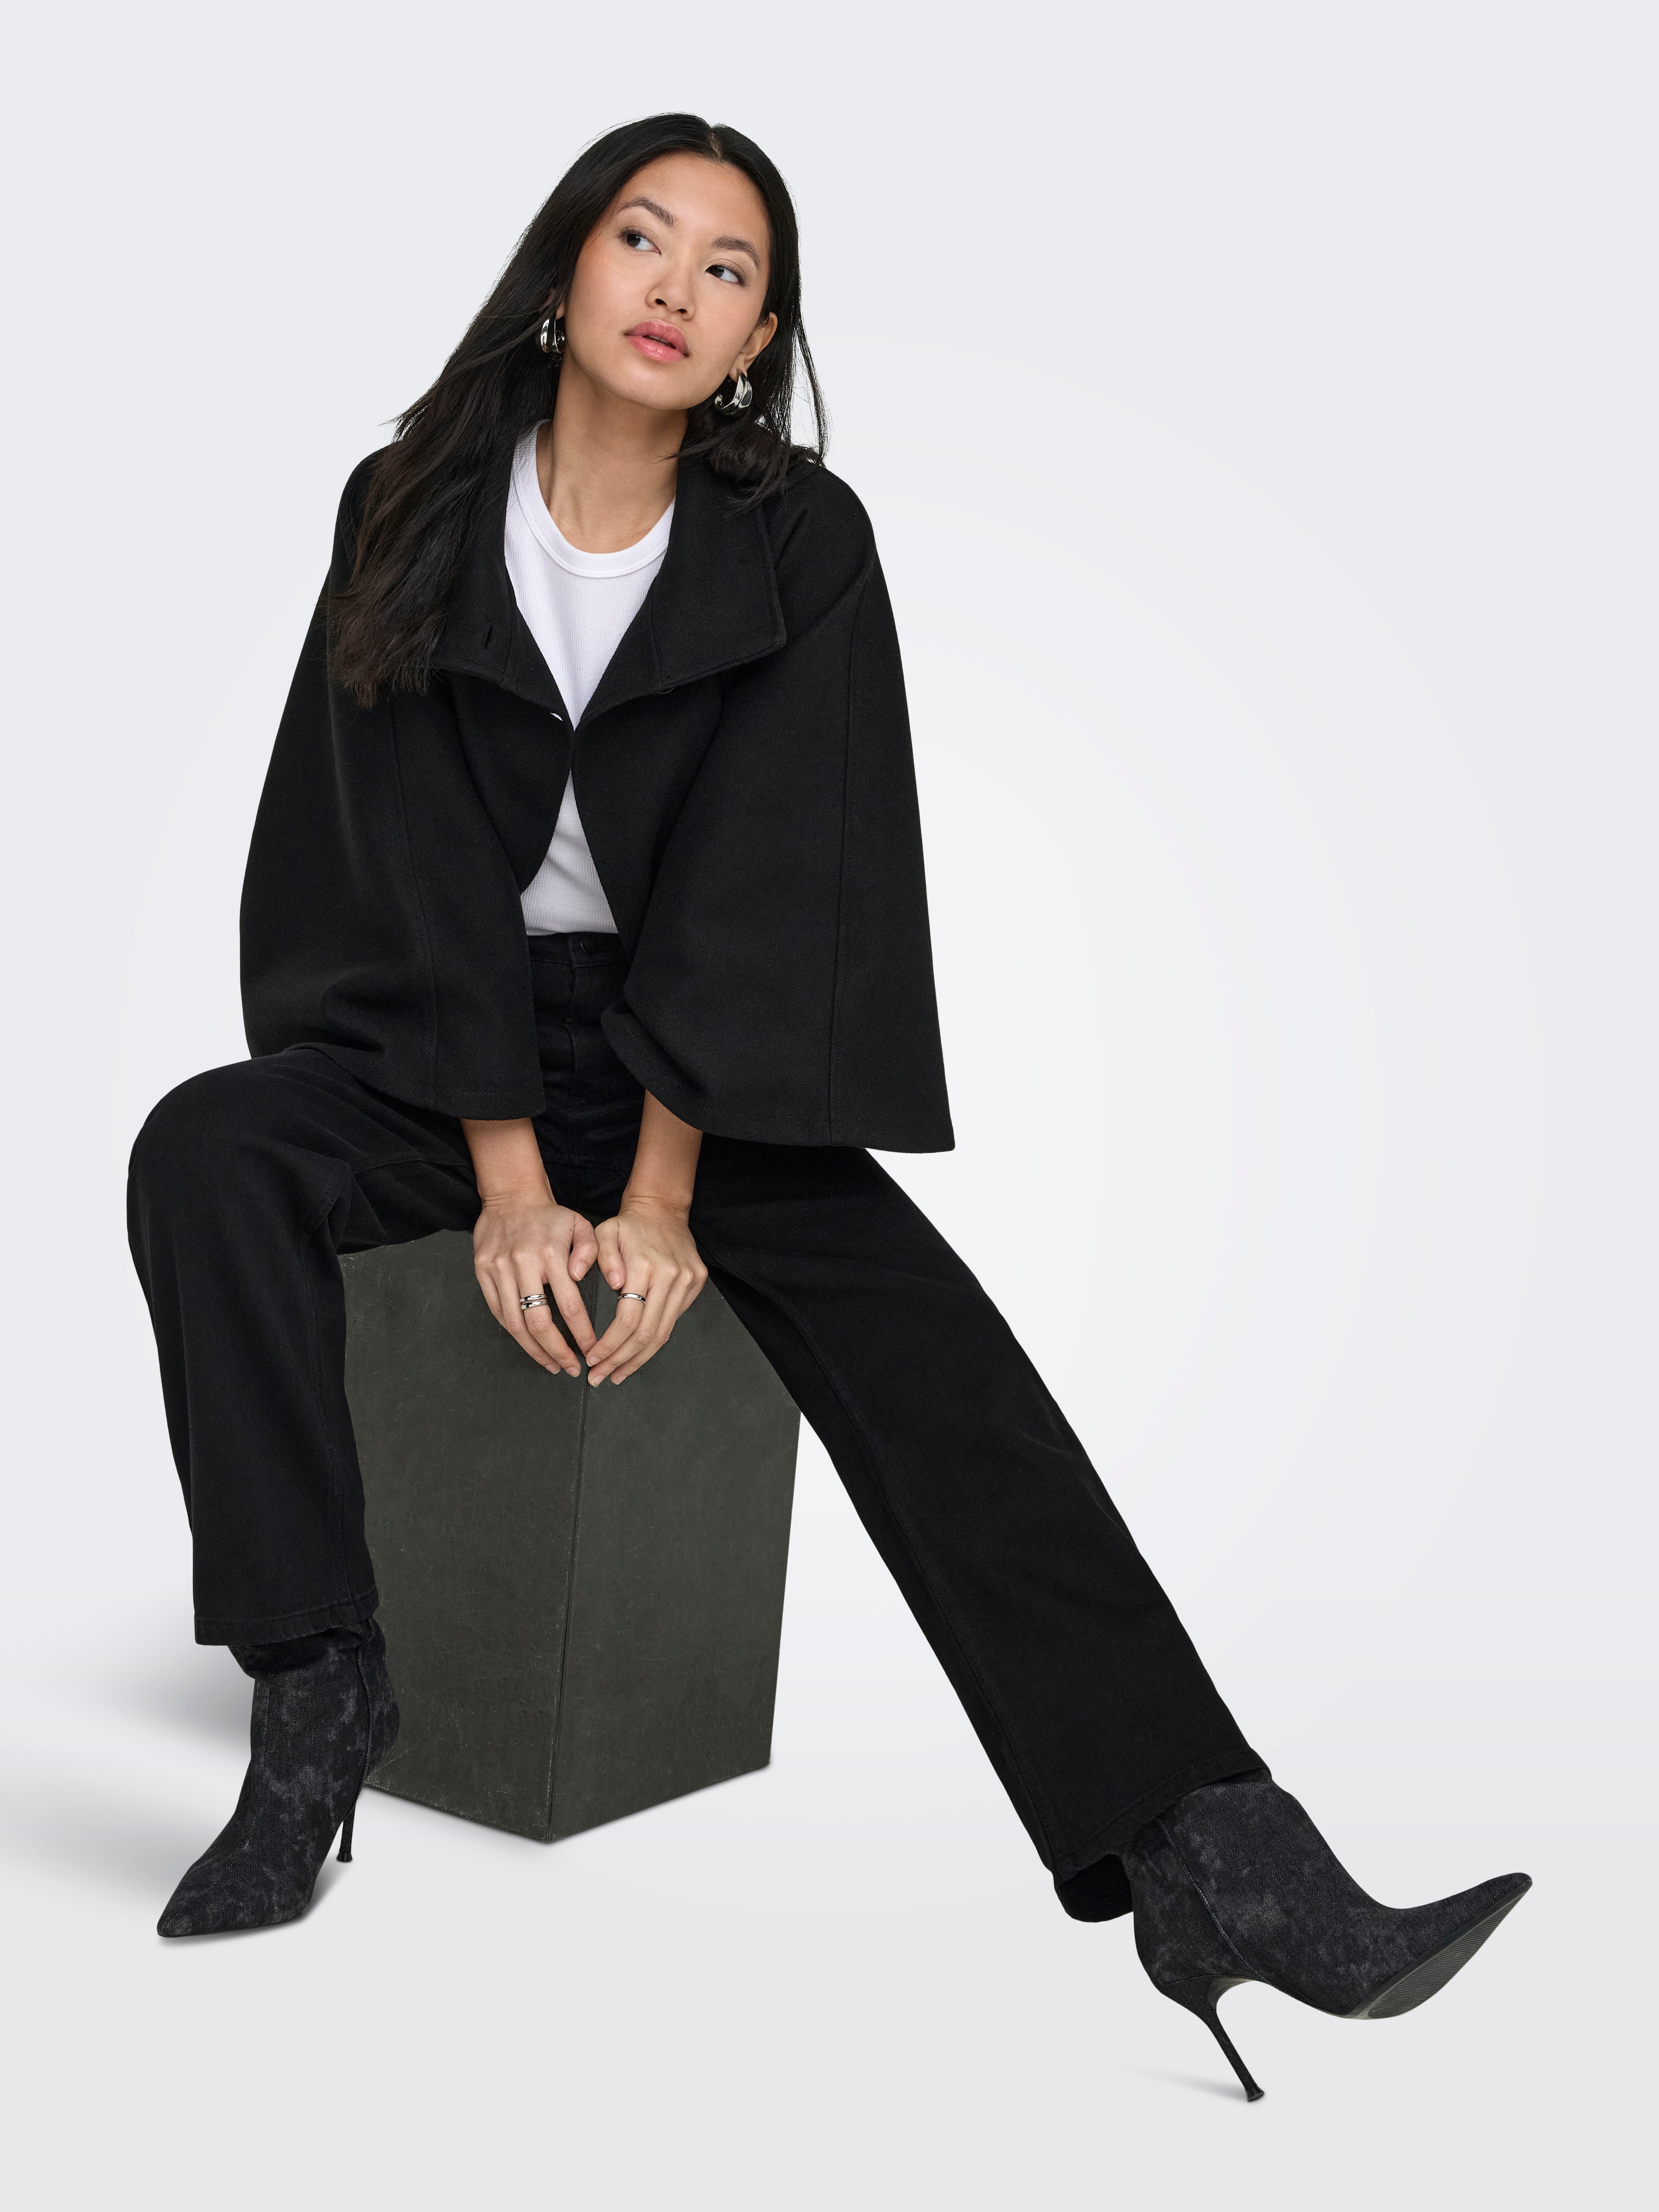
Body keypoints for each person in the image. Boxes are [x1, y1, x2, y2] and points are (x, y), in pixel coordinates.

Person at [127, 112, 1526, 2097]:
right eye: (645, 238)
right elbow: (410, 852)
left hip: (693, 1067)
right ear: (565, 266)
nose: (678, 287)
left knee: (935, 1352)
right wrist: (509, 1178)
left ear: (761, 337)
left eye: (731, 270)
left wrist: (662, 1196)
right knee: (206, 1151)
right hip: (438, 1055)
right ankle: (315, 1697)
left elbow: (771, 877)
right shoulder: (411, 498)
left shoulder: (798, 537)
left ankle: (1213, 1852)